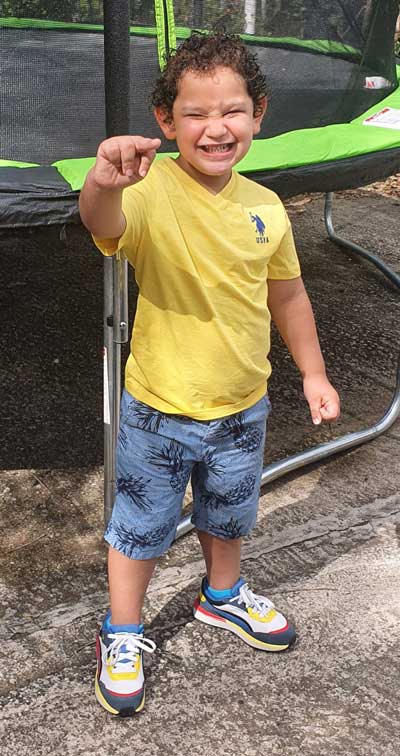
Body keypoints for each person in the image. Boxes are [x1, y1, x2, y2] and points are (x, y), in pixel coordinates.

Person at [79, 32, 340, 717]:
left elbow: (289, 297)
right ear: (166, 121)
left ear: (258, 113)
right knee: (139, 528)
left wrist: (313, 373)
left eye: (232, 111)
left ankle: (221, 598)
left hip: (242, 405)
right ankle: (124, 631)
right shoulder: (147, 188)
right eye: (195, 114)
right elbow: (101, 223)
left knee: (229, 515)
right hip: (159, 408)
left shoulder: (266, 207)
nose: (215, 128)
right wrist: (102, 182)